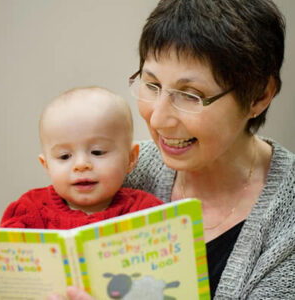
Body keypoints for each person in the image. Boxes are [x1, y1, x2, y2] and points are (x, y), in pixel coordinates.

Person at [48, 0, 294, 299]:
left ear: (259, 95)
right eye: (151, 85)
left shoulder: (287, 218)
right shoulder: (119, 171)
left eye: (190, 95)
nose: (158, 118)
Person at [0, 86, 163, 229]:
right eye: (64, 156)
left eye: (97, 152)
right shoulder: (29, 210)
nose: (81, 165)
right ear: (47, 165)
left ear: (131, 158)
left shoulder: (146, 211)